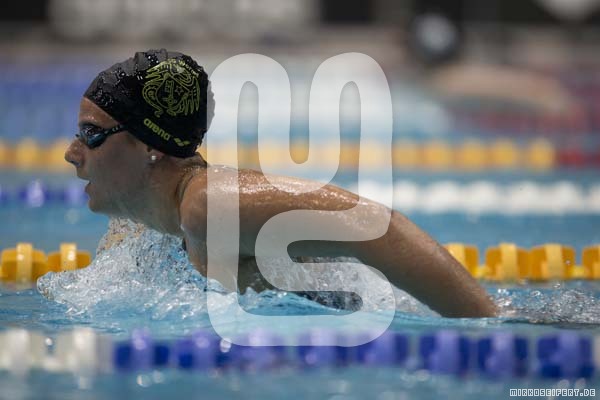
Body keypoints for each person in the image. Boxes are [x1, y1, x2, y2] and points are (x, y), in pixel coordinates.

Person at [64, 49, 497, 318]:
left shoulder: (208, 203)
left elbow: (378, 228)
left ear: (149, 145)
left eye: (91, 134)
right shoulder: (143, 227)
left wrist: (486, 328)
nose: (71, 152)